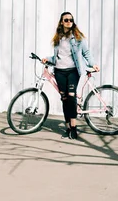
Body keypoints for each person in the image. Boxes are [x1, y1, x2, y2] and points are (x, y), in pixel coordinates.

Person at [42, 12, 99, 140]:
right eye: (66, 20)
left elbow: (86, 53)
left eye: (71, 20)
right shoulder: (58, 39)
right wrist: (47, 59)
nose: (69, 22)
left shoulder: (78, 38)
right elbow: (57, 57)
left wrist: (93, 64)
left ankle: (73, 127)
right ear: (61, 22)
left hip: (73, 71)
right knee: (64, 98)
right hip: (59, 71)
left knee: (71, 96)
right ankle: (67, 126)